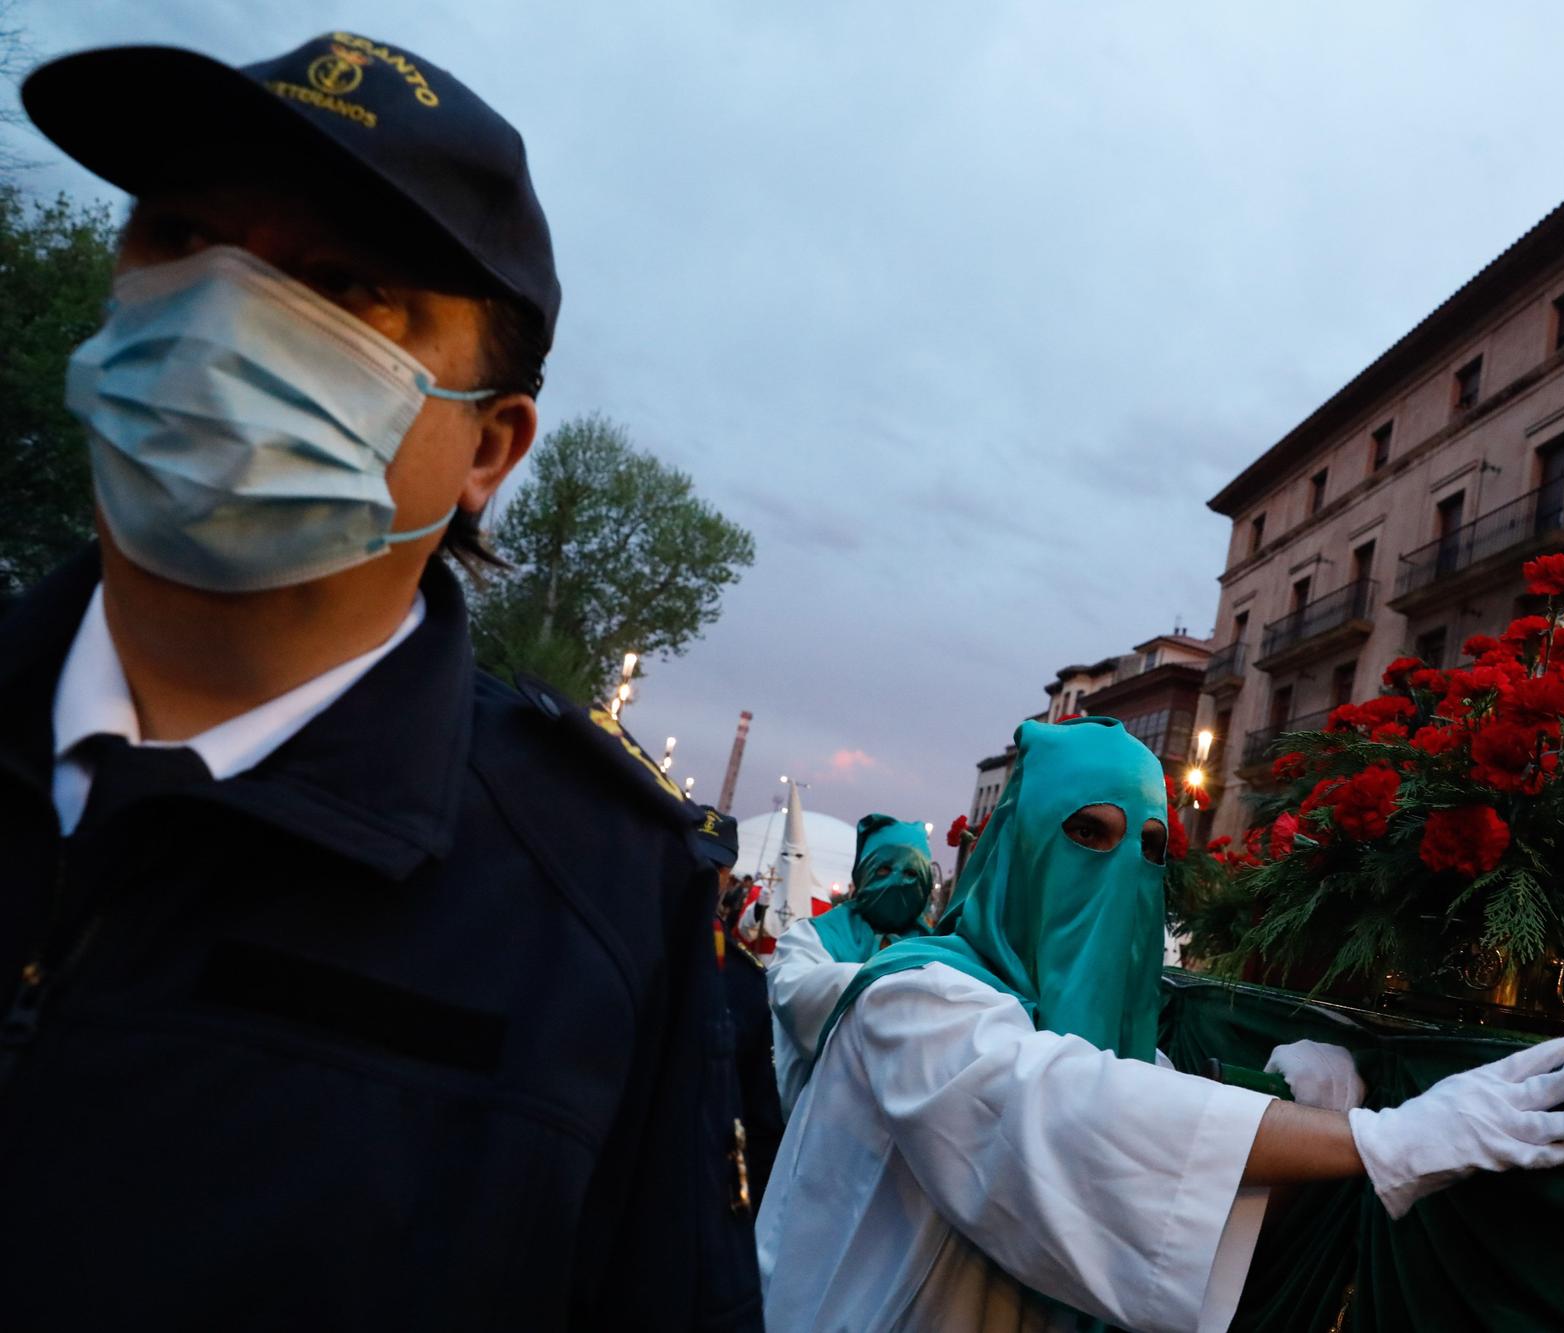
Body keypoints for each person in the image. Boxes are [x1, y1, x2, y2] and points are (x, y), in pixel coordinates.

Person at [0, 33, 758, 1328]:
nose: (216, 317)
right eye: (179, 235)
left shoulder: (599, 903)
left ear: (488, 446)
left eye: (343, 283)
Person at [758, 718, 1564, 1332]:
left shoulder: (1128, 1049)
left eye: (1153, 845)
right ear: (1017, 847)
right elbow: (1062, 1108)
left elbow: (1173, 1217)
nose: (1126, 864)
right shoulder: (914, 1001)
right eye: (1088, 832)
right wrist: (1382, 1140)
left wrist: (1311, 1102)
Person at [765, 812, 934, 1117]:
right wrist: (900, 986)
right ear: (864, 875)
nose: (898, 882)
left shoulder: (938, 950)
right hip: (815, 1121)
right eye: (884, 869)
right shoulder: (811, 936)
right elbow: (796, 994)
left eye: (912, 874)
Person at [696, 807, 783, 1212]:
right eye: (691, 857)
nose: (699, 874)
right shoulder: (633, 948)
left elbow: (758, 1113)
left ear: (728, 874)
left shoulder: (745, 982)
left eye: (713, 867)